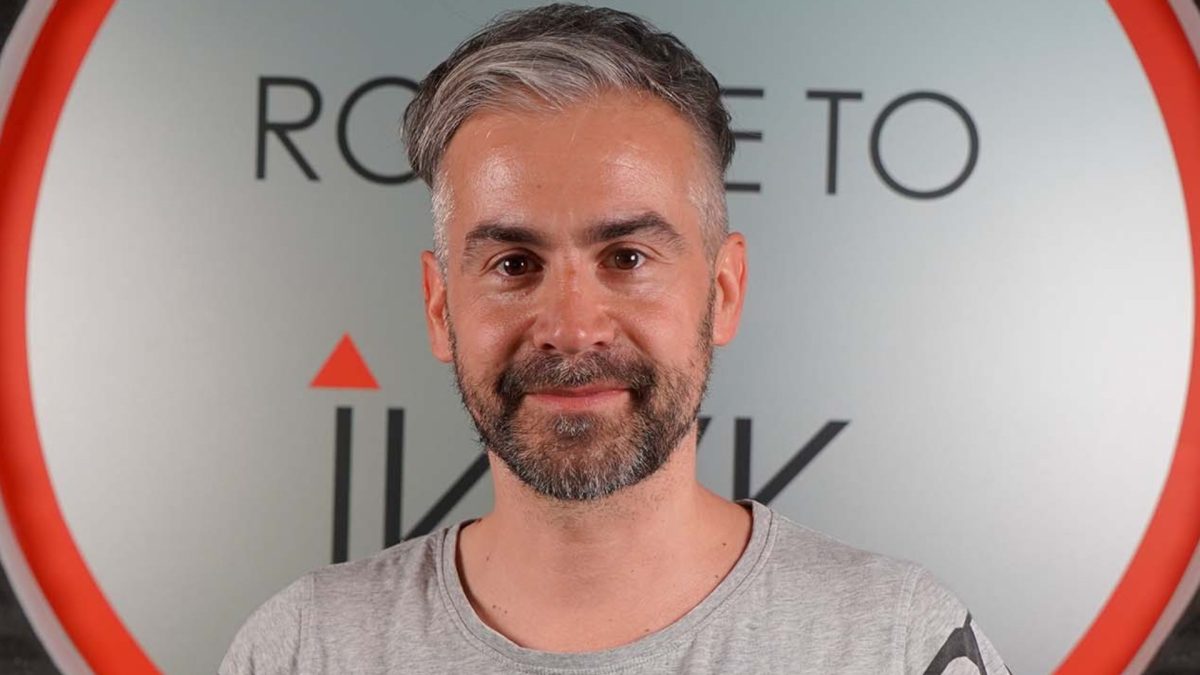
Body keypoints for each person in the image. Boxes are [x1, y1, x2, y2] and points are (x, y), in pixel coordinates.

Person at [221, 4, 1009, 673]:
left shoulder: (898, 643)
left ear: (724, 291)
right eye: (514, 263)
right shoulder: (302, 649)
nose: (571, 328)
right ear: (438, 308)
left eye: (627, 258)